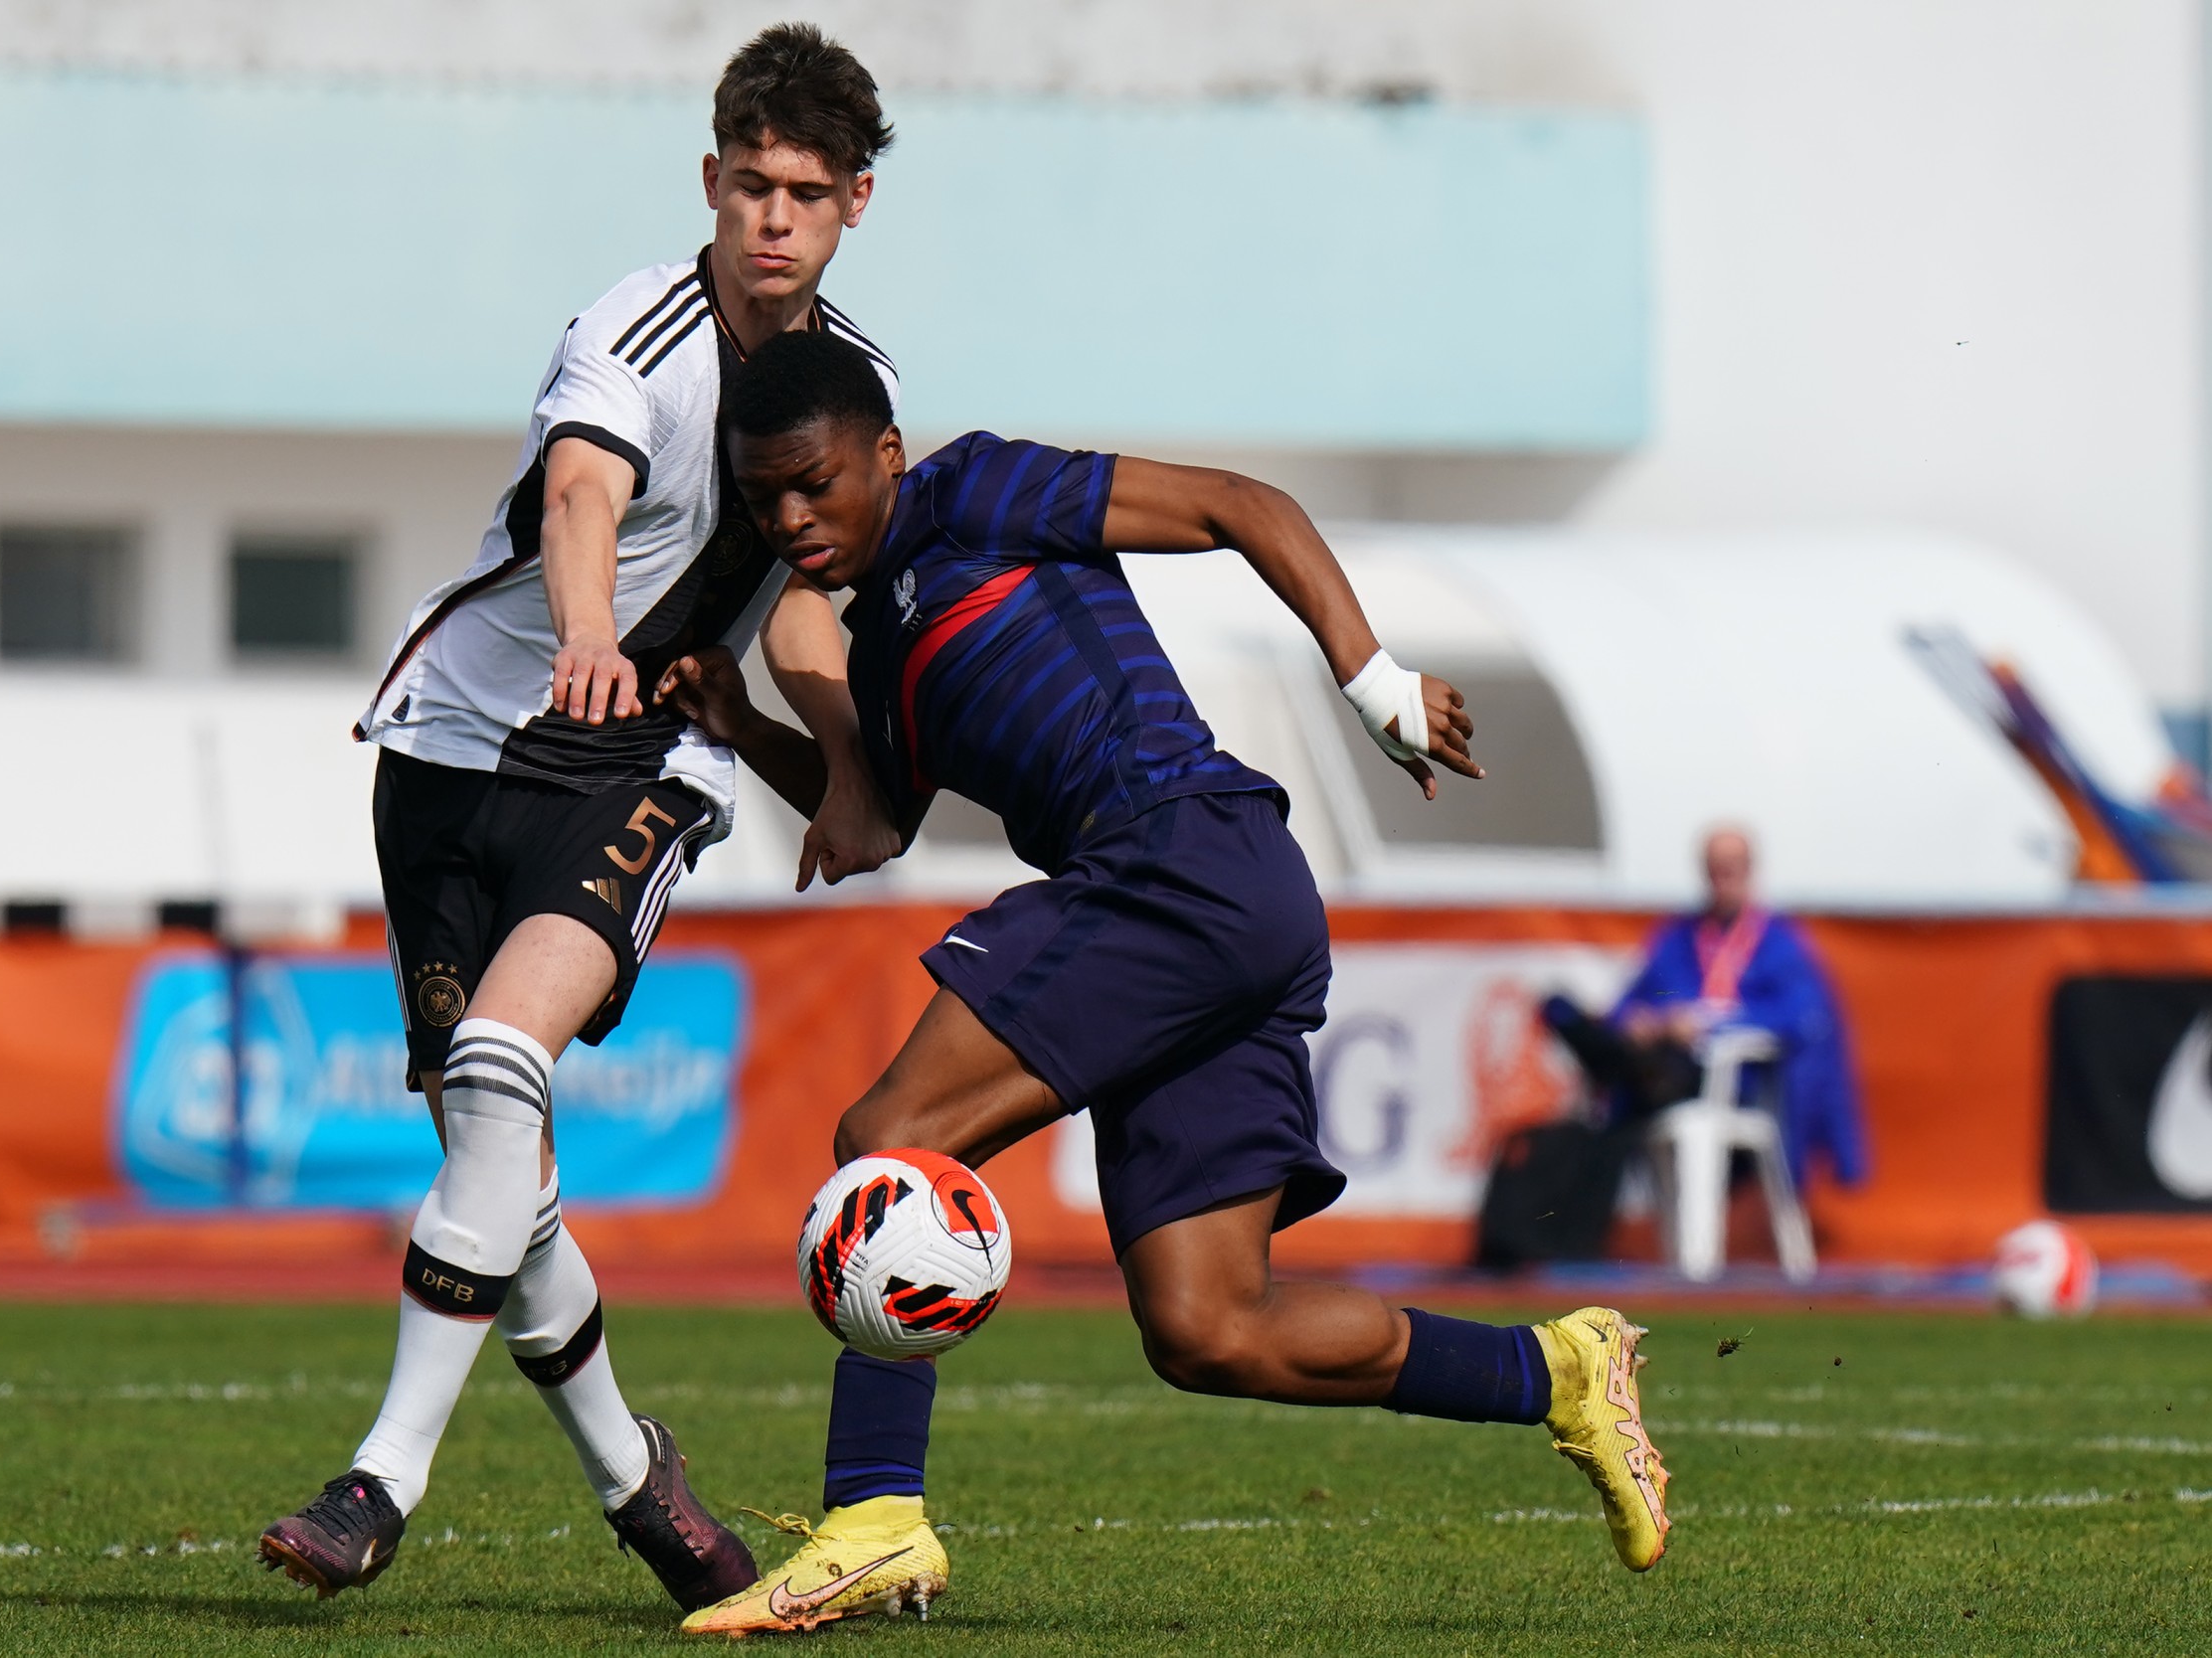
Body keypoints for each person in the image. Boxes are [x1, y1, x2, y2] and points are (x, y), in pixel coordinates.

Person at [655, 331, 1673, 1635]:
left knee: (886, 1143)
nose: (792, 518)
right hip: (1214, 905)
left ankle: (872, 1523)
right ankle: (1557, 1372)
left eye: (814, 483)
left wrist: (1372, 686)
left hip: (1174, 862)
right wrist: (744, 726)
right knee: (1212, 1328)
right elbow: (872, 829)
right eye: (764, 500)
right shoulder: (878, 656)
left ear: (886, 458)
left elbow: (1242, 506)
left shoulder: (974, 493)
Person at [255, 27, 905, 1612]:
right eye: (748, 182)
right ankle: (638, 1479)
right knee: (499, 1149)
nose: (770, 218)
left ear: (852, 208)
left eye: (803, 194)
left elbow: (811, 611)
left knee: (498, 1065)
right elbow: (579, 496)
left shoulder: (856, 388)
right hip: (456, 739)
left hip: (639, 764)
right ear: (708, 178)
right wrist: (585, 634)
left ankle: (377, 1481)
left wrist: (837, 759)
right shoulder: (638, 323)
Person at [1542, 826, 1867, 1185]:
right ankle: (1604, 1050)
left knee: (1638, 1067)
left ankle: (1613, 1060)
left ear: (1750, 870)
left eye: (1733, 867)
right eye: (1714, 869)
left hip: (1731, 1083)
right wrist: (1641, 1021)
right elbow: (1633, 1000)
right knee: (1563, 1010)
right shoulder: (1679, 937)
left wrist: (1710, 1025)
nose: (1723, 879)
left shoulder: (1779, 942)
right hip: (1661, 1064)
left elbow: (1804, 1016)